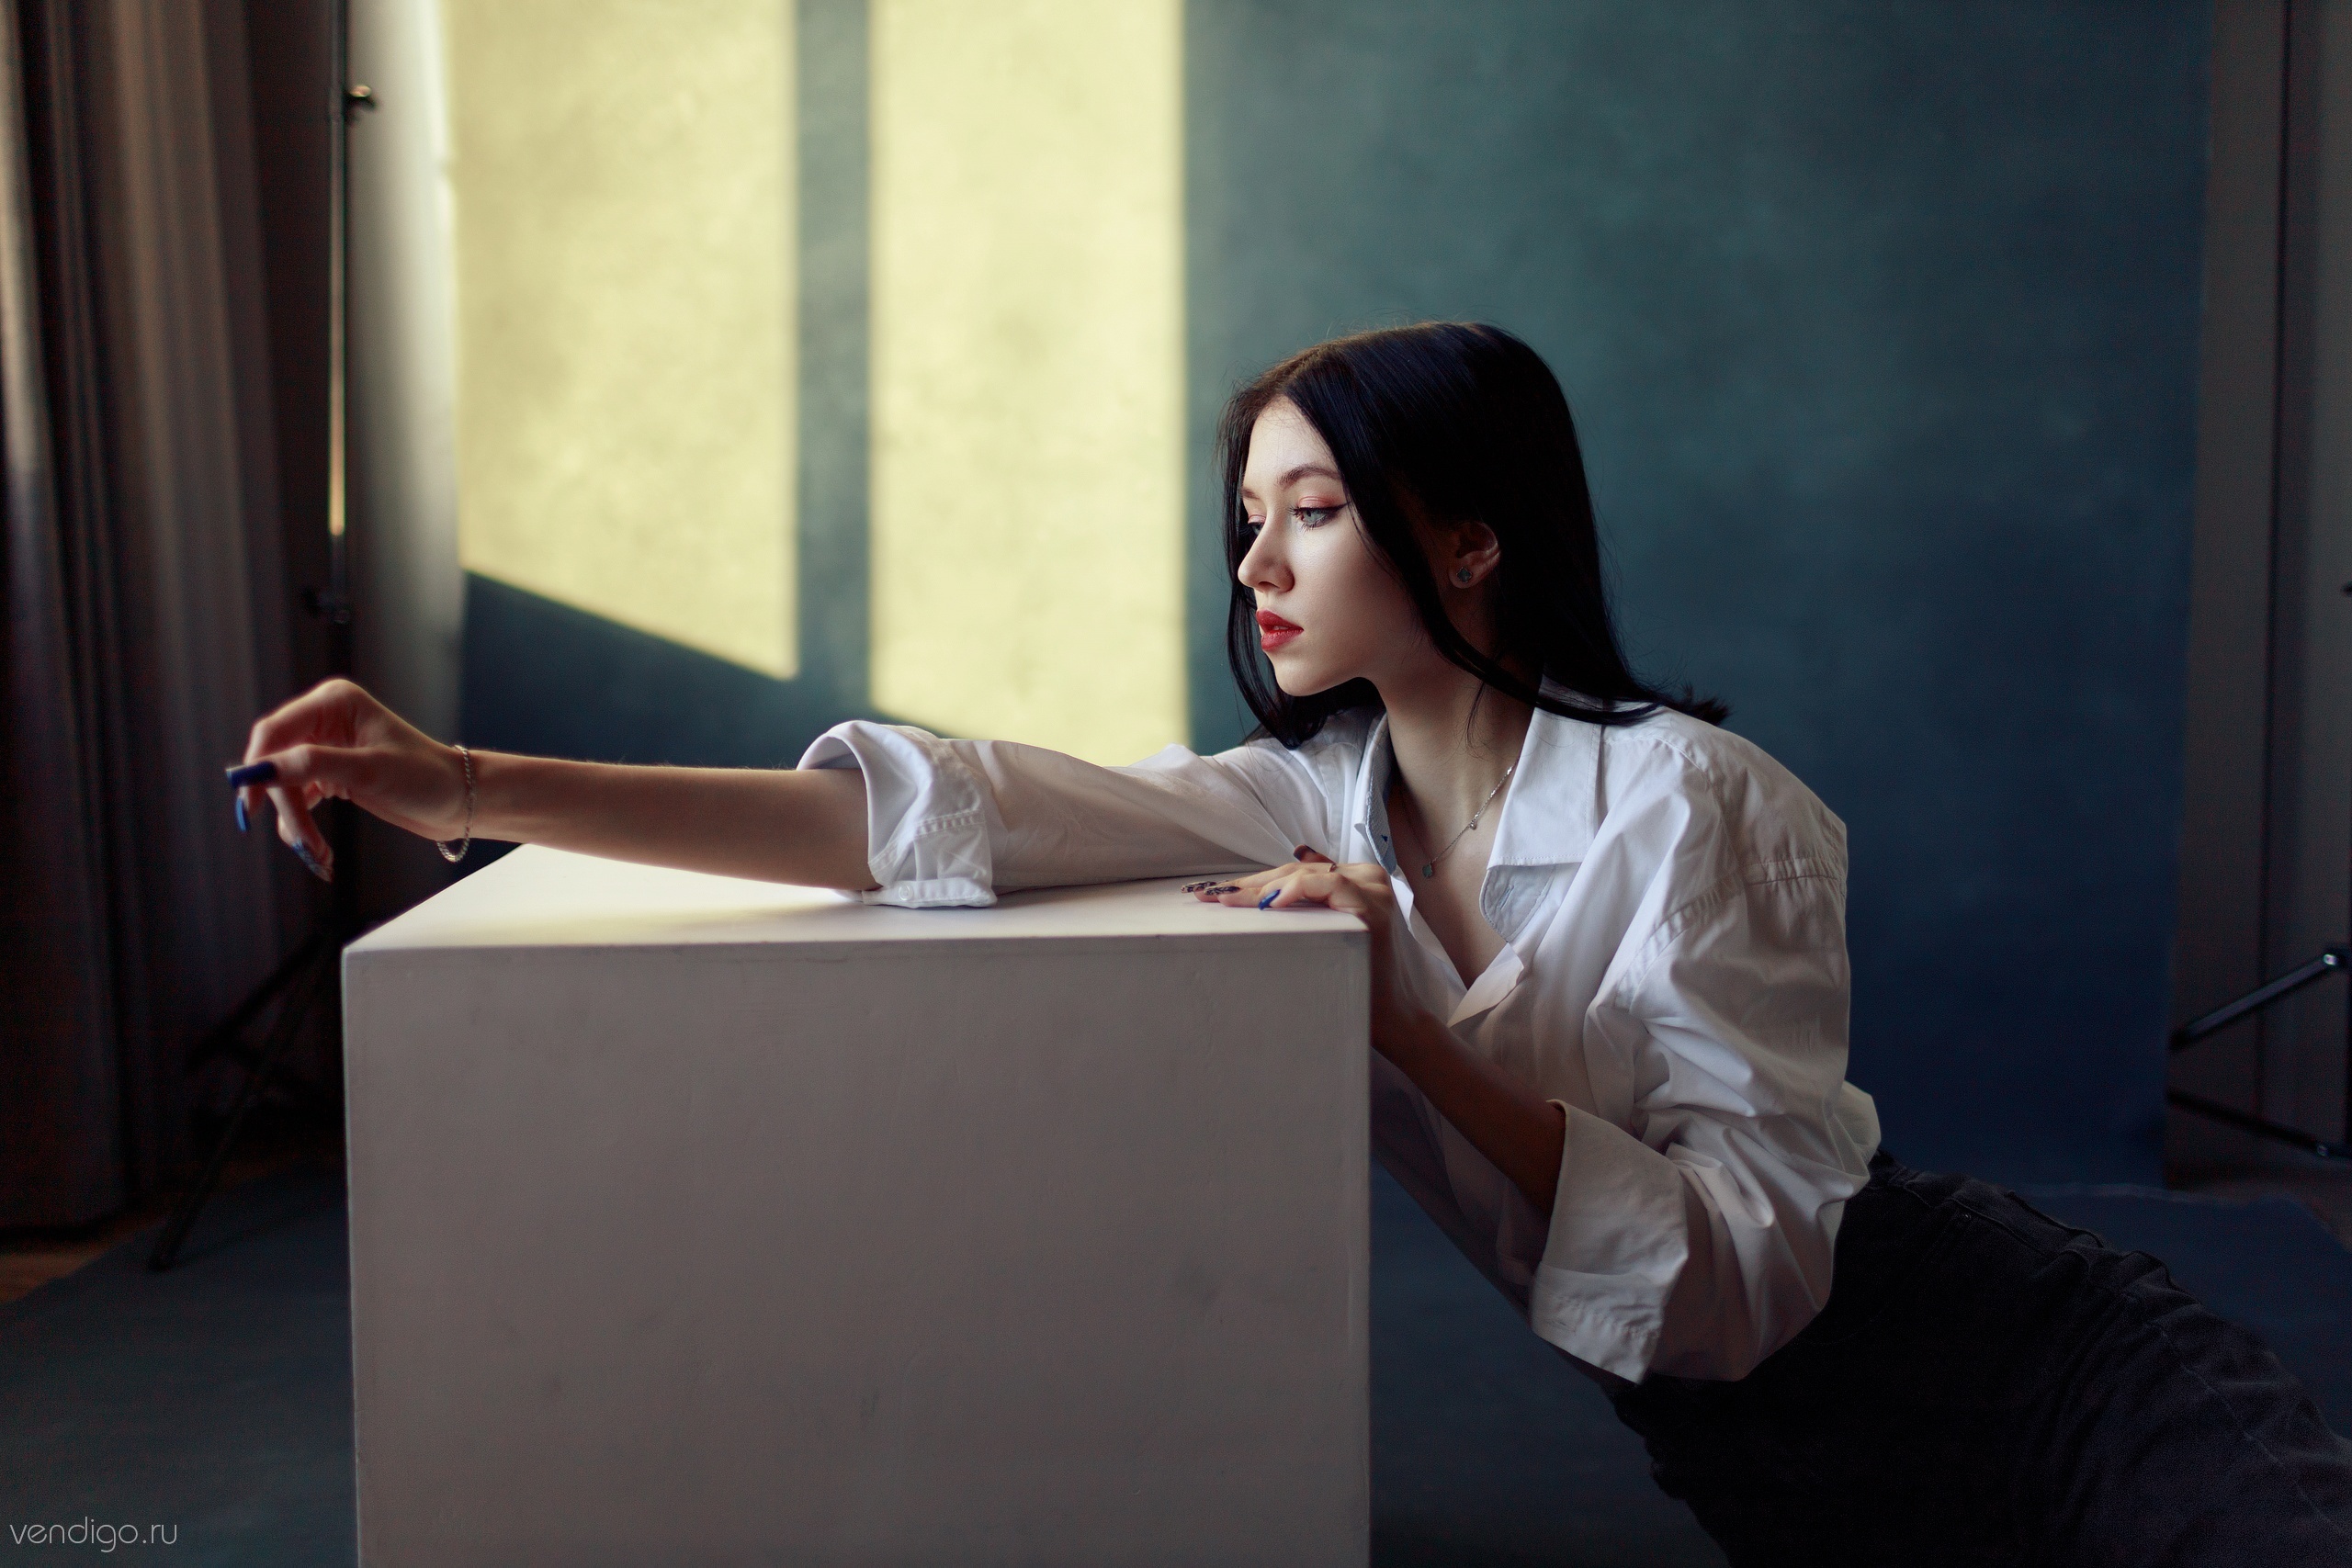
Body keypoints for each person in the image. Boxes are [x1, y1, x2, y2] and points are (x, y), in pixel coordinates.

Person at [235, 322, 2352, 1563]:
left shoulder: (1704, 809)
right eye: (1244, 509)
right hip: (1762, 1476)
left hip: (1998, 1344)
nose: (1253, 554)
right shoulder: (1293, 806)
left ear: (1468, 533)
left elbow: (1743, 1269)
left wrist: (1407, 1033)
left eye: (1310, 504)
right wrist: (463, 779)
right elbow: (911, 821)